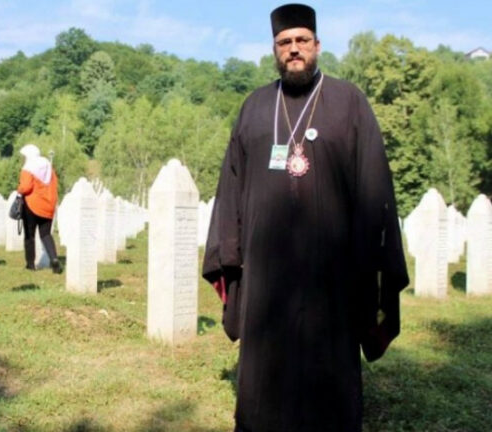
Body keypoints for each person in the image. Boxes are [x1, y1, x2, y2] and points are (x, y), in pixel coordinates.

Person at [202, 4, 409, 431]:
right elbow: (231, 186)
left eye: (301, 40)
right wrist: (230, 254)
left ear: (317, 45)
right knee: (265, 382)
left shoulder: (349, 102)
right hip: (266, 274)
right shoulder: (254, 107)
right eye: (284, 42)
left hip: (332, 274)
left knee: (329, 381)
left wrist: (371, 262)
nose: (293, 49)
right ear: (274, 50)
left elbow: (374, 184)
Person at [17, 144, 62, 274]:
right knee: (46, 234)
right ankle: (54, 259)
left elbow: (26, 187)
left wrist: (19, 190)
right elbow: (54, 182)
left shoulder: (28, 167)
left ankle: (30, 264)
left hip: (32, 204)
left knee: (29, 235)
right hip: (48, 205)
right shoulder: (48, 166)